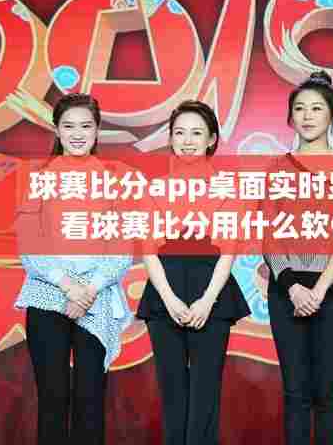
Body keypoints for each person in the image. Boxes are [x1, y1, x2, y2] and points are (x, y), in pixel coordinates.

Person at [15, 93, 133, 445]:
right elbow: (29, 243)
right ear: (57, 130)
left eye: (86, 126)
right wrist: (68, 286)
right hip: (48, 296)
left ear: (97, 131)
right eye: (69, 126)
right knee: (52, 400)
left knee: (90, 402)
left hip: (96, 300)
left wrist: (88, 290)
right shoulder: (39, 177)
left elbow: (122, 245)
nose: (77, 134)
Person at [137, 100, 250, 445]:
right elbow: (148, 250)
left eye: (196, 133)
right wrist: (169, 299)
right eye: (180, 133)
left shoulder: (227, 190)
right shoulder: (154, 189)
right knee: (172, 392)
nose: (187, 141)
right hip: (164, 293)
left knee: (205, 392)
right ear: (170, 138)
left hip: (212, 293)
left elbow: (228, 251)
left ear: (211, 139)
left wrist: (207, 301)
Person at [263, 71, 333, 445]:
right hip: (286, 290)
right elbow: (268, 233)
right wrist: (292, 287)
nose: (307, 116)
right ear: (290, 117)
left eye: (317, 108)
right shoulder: (277, 168)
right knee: (295, 392)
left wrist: (318, 290)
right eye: (300, 108)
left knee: (327, 392)